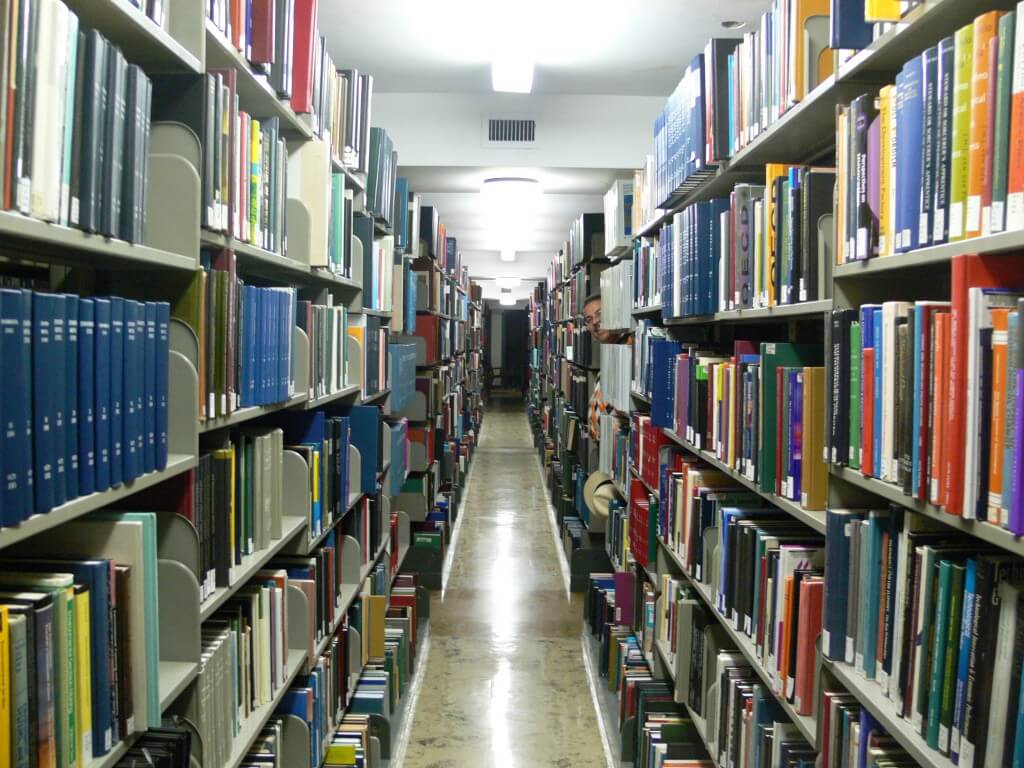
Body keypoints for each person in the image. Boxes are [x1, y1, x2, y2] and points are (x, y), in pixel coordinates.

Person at [583, 292, 626, 438]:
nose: (595, 322)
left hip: (618, 449)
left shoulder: (628, 354)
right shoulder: (609, 356)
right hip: (605, 450)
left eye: (599, 313)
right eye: (589, 319)